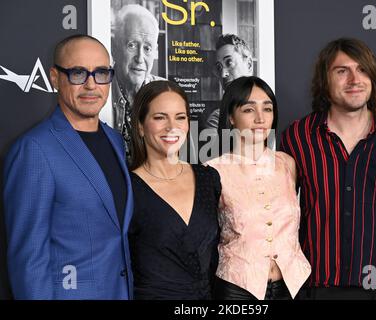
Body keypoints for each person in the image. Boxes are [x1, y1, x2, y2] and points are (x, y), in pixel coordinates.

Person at [280, 38, 376, 300]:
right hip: (318, 288)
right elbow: (279, 218)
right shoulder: (298, 137)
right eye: (342, 71)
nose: (355, 79)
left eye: (362, 69)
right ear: (324, 81)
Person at [3, 34, 133, 299]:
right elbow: (28, 260)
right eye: (77, 73)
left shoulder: (116, 141)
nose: (91, 85)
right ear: (54, 77)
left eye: (101, 73)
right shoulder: (34, 150)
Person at [206, 76, 311, 300]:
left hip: (293, 285)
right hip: (238, 289)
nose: (260, 118)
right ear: (231, 117)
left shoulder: (287, 164)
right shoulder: (213, 171)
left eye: (267, 108)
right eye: (248, 110)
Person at [128, 80, 221, 300]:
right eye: (160, 117)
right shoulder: (126, 188)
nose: (172, 127)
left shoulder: (208, 178)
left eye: (180, 117)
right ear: (140, 126)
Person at [112, 4, 165, 158]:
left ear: (155, 51)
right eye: (132, 45)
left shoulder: (166, 93)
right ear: (114, 48)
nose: (140, 58)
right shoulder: (98, 91)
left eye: (147, 48)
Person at [205, 34, 254, 129]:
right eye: (219, 67)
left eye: (229, 63)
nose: (223, 74)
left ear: (249, 65)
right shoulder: (217, 120)